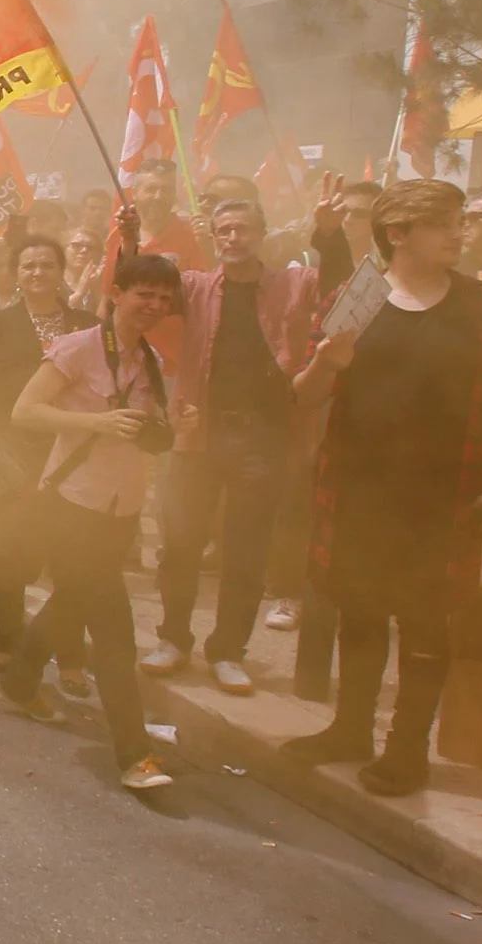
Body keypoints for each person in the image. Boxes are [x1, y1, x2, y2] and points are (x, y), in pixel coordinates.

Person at [285, 180, 482, 795]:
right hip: (358, 492)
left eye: (459, 222)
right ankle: (350, 729)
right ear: (397, 235)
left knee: (427, 622)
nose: (459, 234)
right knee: (361, 612)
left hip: (446, 495)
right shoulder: (358, 296)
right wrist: (328, 362)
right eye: (443, 224)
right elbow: (305, 394)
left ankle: (407, 748)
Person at [141, 182, 348, 694]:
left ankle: (229, 650)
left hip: (262, 436)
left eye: (244, 229)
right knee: (182, 543)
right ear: (213, 238)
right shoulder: (191, 286)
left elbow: (340, 285)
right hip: (198, 432)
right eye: (225, 230)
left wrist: (328, 232)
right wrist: (128, 239)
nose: (234, 238)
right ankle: (173, 639)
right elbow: (137, 289)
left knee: (246, 550)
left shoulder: (291, 284)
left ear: (261, 234)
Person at [0, 251, 183, 793]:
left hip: (120, 510)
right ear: (117, 293)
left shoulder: (151, 364)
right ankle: (135, 754)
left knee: (69, 602)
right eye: (144, 294)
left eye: (164, 300)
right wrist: (94, 422)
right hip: (71, 506)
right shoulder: (76, 348)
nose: (154, 306)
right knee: (116, 633)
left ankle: (20, 680)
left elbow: (148, 434)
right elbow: (23, 412)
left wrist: (173, 427)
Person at [0, 232, 91, 671]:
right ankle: (8, 645)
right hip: (13, 449)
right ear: (15, 275)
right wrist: (39, 402)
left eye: (46, 265)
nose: (37, 273)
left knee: (69, 557)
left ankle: (69, 656)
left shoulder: (85, 325)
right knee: (10, 553)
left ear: (61, 272)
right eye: (28, 266)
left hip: (72, 451)